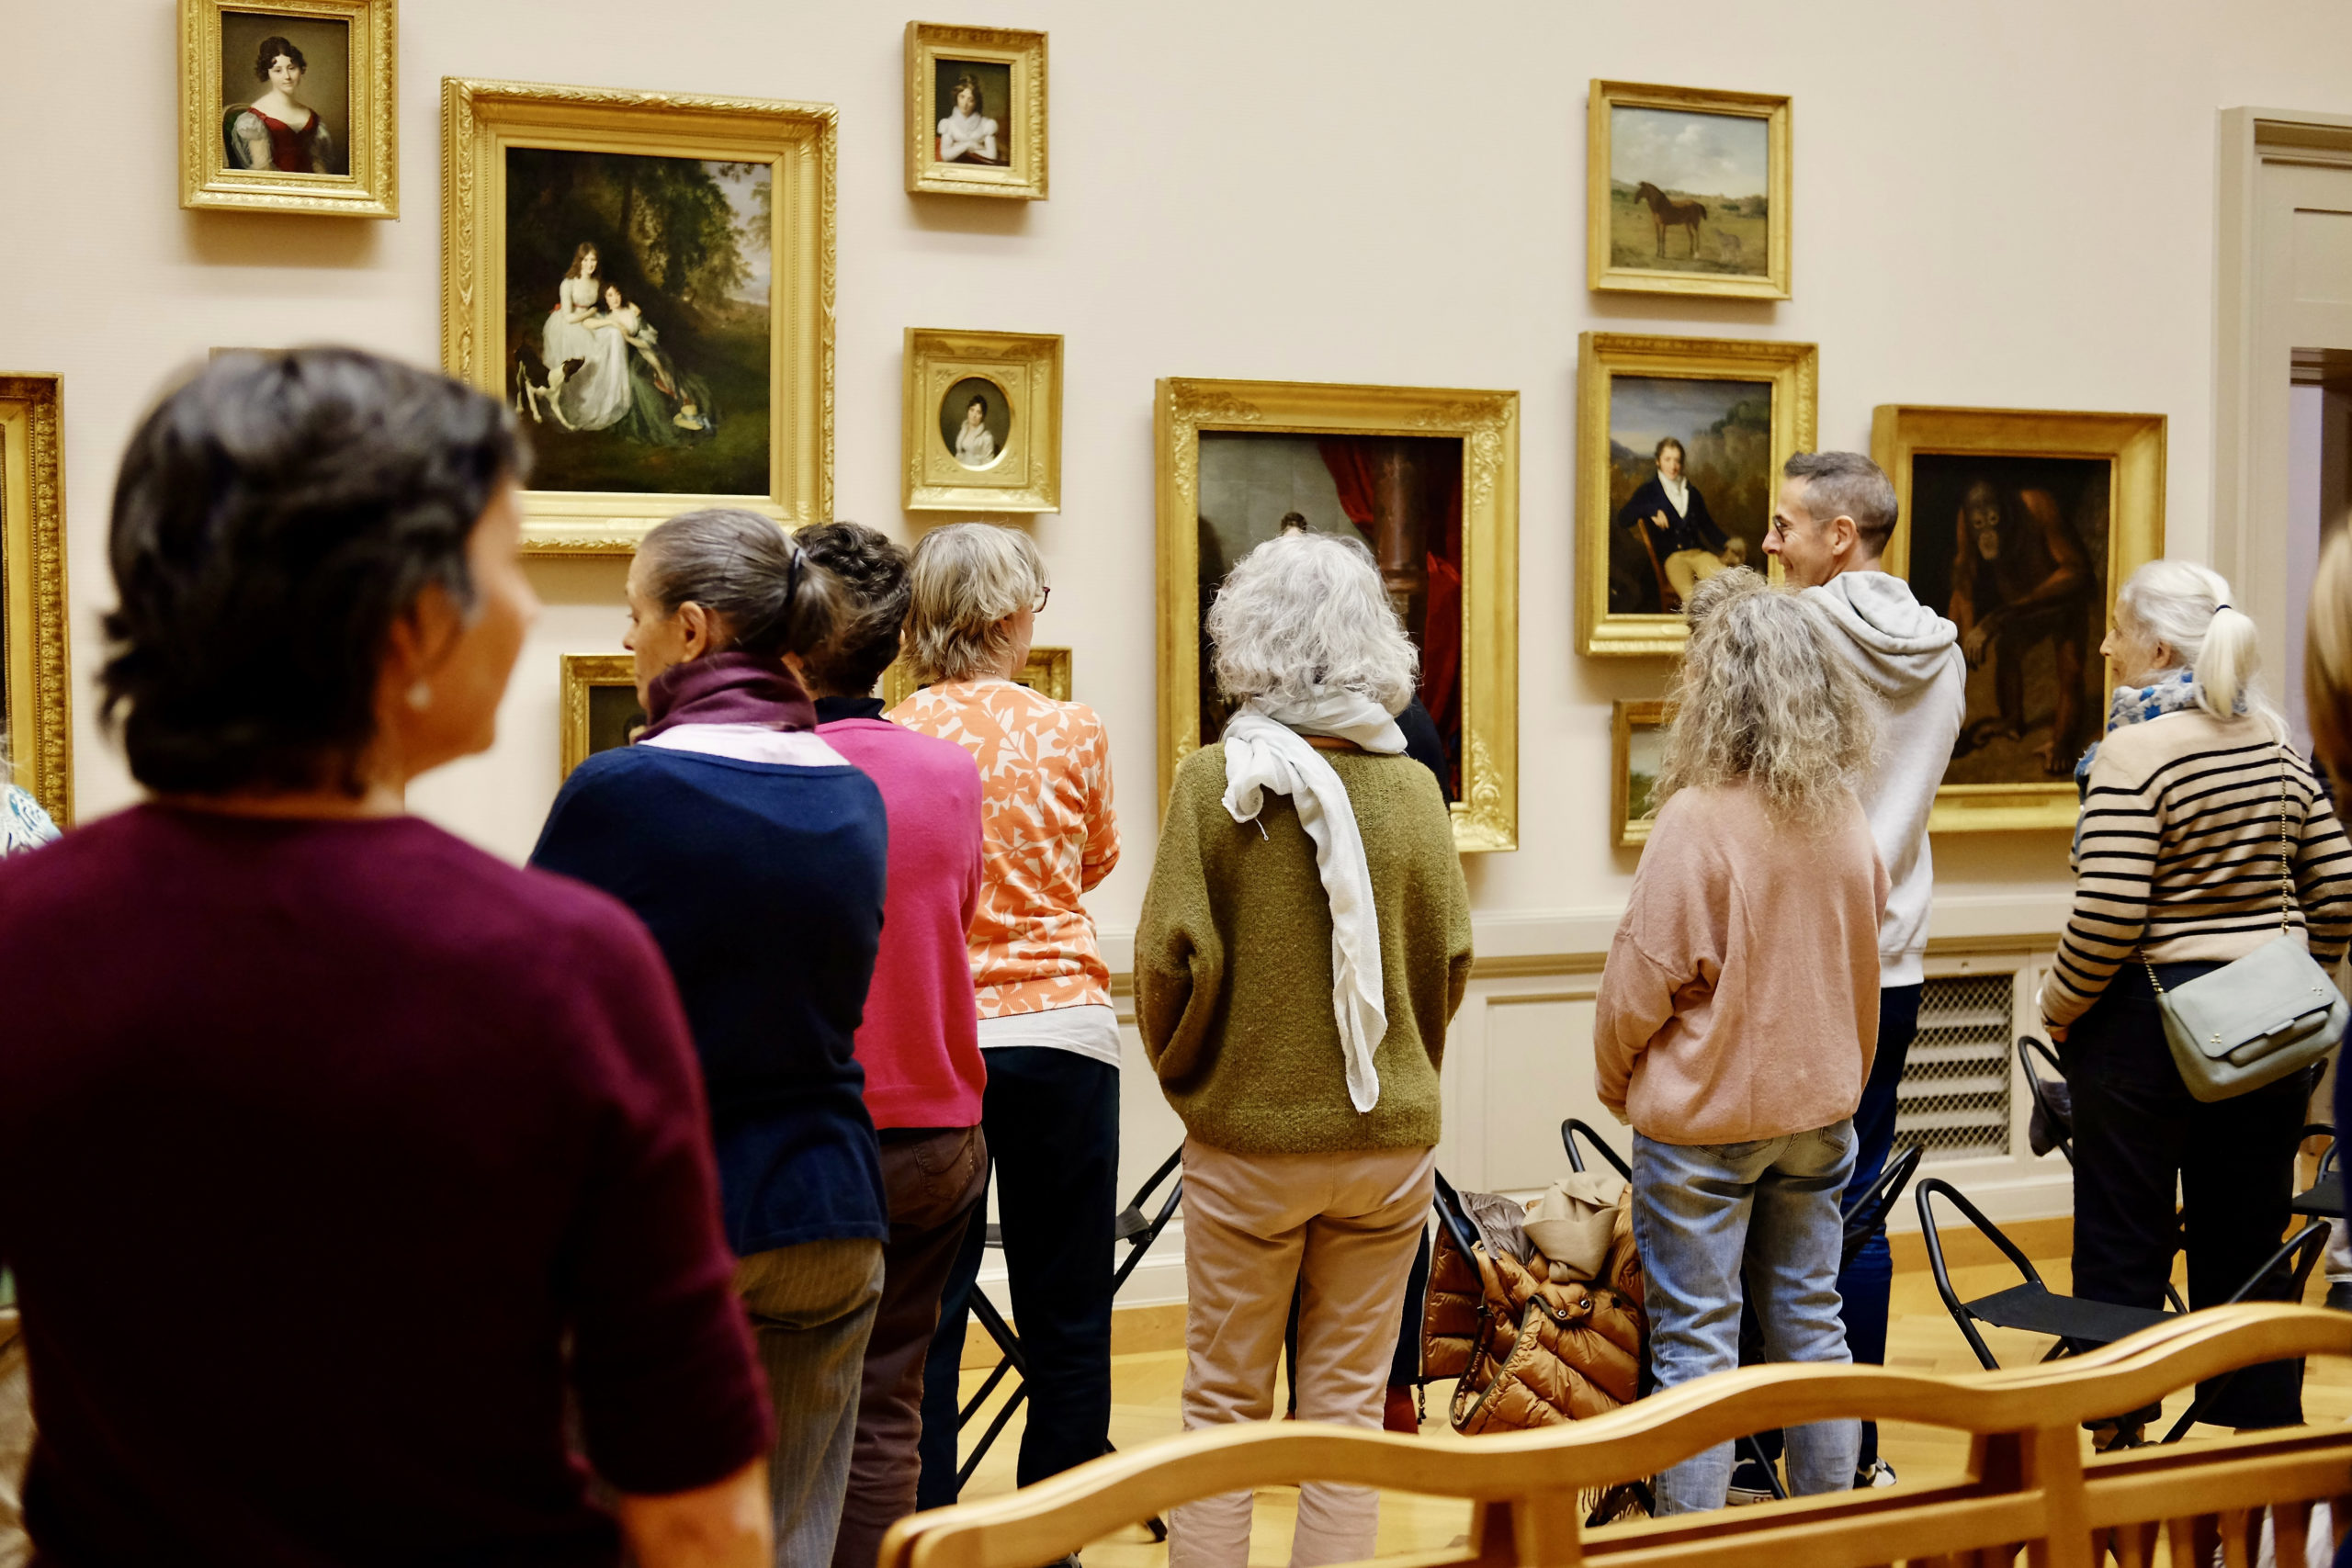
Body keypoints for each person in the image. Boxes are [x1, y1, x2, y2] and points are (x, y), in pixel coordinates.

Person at [0, 348, 772, 1566]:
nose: (529, 608)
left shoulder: (25, 935)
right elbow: (697, 1517)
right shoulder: (558, 971)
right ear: (409, 627)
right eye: (506, 562)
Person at [529, 507, 891, 1567]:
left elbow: (534, 1014)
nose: (624, 637)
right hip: (829, 1210)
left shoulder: (622, 791)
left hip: (673, 1218)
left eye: (634, 613)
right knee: (786, 1545)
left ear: (690, 629)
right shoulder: (854, 794)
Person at [1135, 530, 1471, 1568]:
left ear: (1246, 640)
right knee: (1347, 1417)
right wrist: (1400, 1067)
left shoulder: (1213, 781)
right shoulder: (1412, 788)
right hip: (1386, 1144)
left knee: (1222, 1411)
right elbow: (1450, 958)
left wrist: (1201, 1078)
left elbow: (1165, 965)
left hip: (1248, 1143)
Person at [1593, 570, 1885, 1516]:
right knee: (1814, 1329)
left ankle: (1695, 1548)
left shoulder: (1696, 818)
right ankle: (1828, 1535)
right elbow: (1863, 969)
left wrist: (1617, 1082)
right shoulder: (1844, 814)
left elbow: (1639, 983)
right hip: (1819, 1114)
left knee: (1696, 1349)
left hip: (1704, 1123)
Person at [2041, 559, 2352, 1447]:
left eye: (2118, 628)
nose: (2106, 646)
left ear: (2160, 648)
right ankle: (2257, 1458)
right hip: (2265, 1032)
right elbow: (2337, 888)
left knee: (2122, 1240)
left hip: (2142, 1031)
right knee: (2250, 1245)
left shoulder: (2131, 754)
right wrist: (2304, 977)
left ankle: (2118, 1451)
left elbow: (2109, 915)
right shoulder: (2275, 740)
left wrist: (2057, 1005)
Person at [1758, 449, 1965, 1492]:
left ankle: (1764, 1445)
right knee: (1860, 1198)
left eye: (1784, 524)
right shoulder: (1945, 651)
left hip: (1800, 950)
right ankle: (1857, 1452)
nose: (1769, 543)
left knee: (1762, 1194)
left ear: (1842, 536)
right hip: (1890, 956)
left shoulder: (1796, 631)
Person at [902, 524, 1121, 1508]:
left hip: (940, 1040)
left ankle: (927, 1525)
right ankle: (1052, 1533)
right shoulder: (1073, 729)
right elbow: (1094, 862)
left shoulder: (897, 734)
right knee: (1067, 1309)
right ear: (1002, 617)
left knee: (928, 1315)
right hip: (1063, 1032)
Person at [788, 523, 991, 1568]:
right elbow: (957, 917)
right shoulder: (949, 773)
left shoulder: (770, 771)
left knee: (774, 1405)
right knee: (887, 1404)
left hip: (806, 1135)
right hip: (935, 1131)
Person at [1949, 476, 2095, 773]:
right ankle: (2012, 721)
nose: (1987, 535)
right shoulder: (1965, 519)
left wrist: (1999, 616)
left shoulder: (2038, 506)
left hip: (2062, 599)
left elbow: (2075, 571)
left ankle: (2063, 742)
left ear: (2007, 511)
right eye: (1980, 525)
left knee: (2070, 671)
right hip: (2020, 609)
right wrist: (1955, 651)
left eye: (1993, 521)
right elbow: (1963, 585)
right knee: (2008, 650)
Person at [1613, 437, 1746, 612]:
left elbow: (1708, 525)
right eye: (1668, 459)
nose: (1673, 466)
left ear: (1681, 463)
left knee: (1729, 588)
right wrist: (1651, 510)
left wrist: (1727, 543)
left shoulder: (1691, 492)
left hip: (1699, 555)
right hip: (1673, 560)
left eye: (1677, 460)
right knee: (1690, 600)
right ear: (1658, 461)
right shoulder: (1648, 491)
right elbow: (1623, 518)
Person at [225, 35, 334, 174]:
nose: (287, 76)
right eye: (278, 70)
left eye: (292, 68)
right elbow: (263, 168)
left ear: (301, 69)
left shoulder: (311, 116)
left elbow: (316, 163)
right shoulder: (256, 118)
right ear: (268, 73)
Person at [937, 74, 1001, 164]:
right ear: (956, 97)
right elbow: (945, 156)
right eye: (962, 97)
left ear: (976, 103)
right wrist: (968, 145)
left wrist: (957, 147)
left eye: (970, 100)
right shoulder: (948, 124)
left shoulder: (987, 124)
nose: (965, 104)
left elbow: (992, 157)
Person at [954, 395, 997, 466]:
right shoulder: (963, 429)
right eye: (972, 410)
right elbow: (959, 454)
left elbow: (988, 463)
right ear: (968, 410)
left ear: (982, 416)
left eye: (978, 412)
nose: (974, 415)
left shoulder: (987, 437)